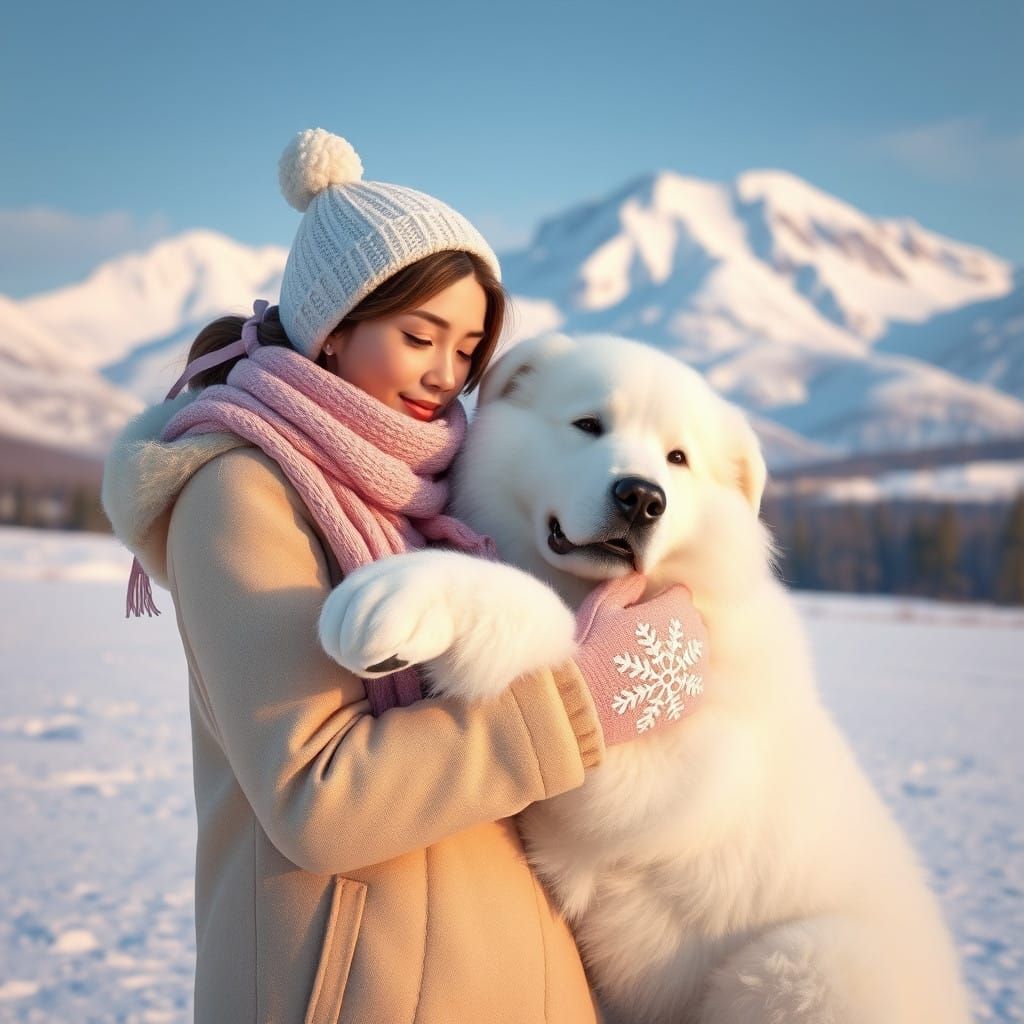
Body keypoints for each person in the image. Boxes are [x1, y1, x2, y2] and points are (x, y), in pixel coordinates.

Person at [102, 128, 708, 1023]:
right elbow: (317, 801)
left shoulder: (433, 497)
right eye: (419, 336)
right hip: (358, 988)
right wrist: (583, 698)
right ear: (334, 328)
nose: (444, 376)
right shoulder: (241, 491)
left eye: (468, 349)